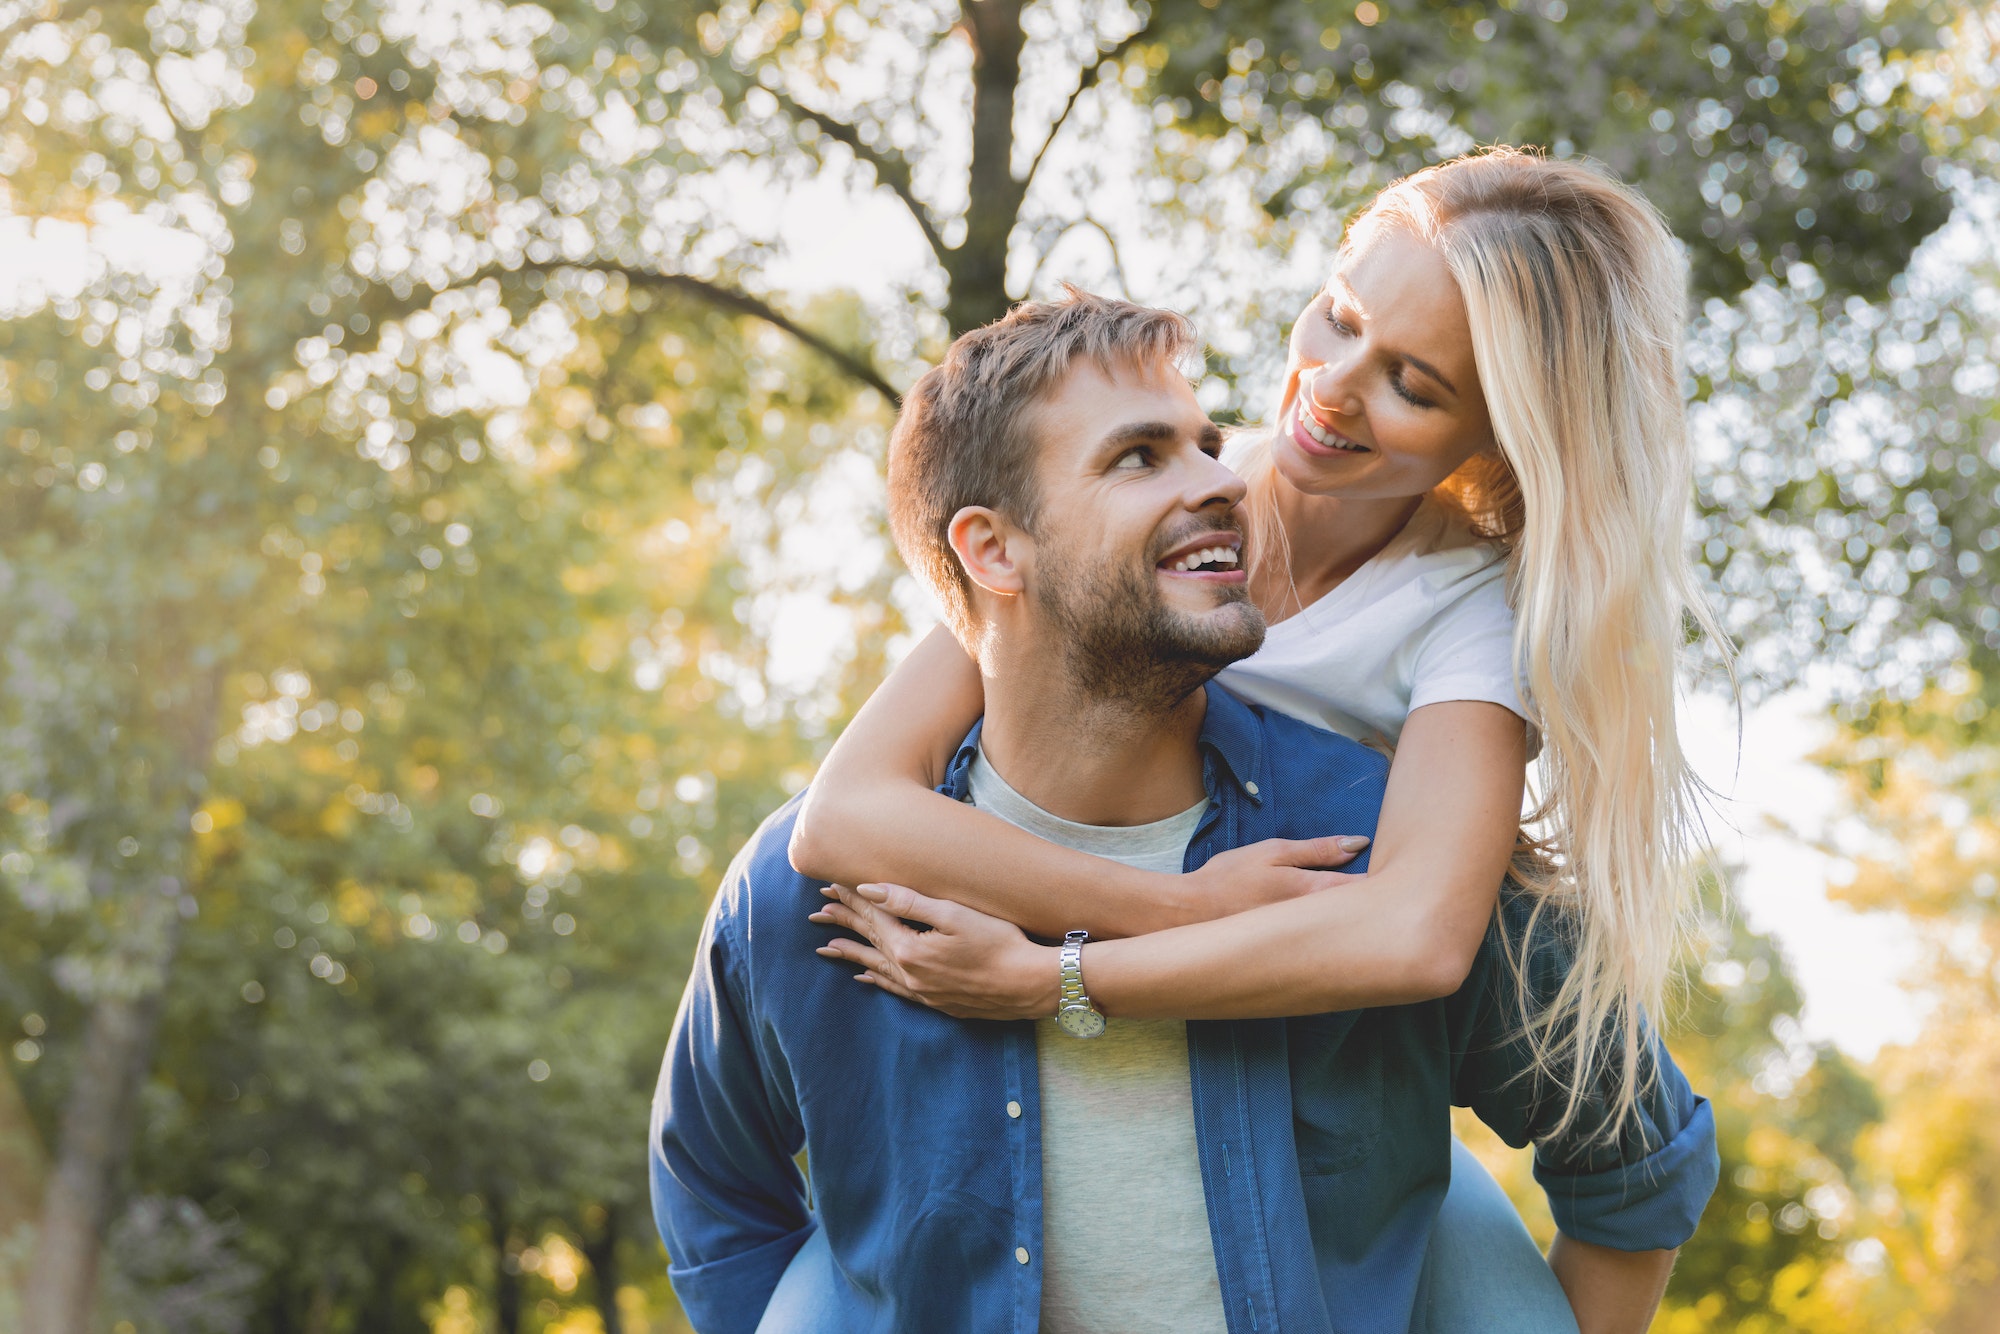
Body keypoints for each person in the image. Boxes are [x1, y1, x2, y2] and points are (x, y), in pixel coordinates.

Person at [650, 290, 1717, 1334]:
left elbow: (1633, 1154)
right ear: (992, 550)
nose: (1226, 480)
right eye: (1138, 456)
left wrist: (1055, 974)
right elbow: (715, 1196)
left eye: (1209, 444)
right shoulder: (811, 889)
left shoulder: (1382, 851)